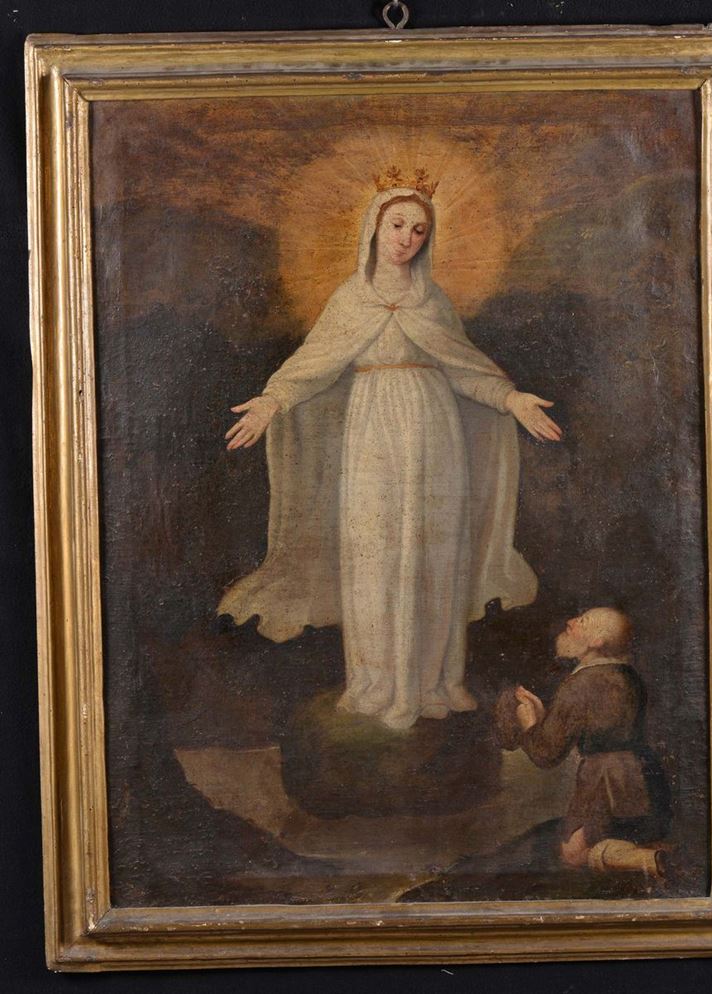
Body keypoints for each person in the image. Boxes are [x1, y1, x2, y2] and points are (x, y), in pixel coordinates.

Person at [219, 171, 562, 730]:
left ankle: (433, 682)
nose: (406, 238)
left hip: (436, 435)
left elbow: (464, 369)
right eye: (397, 225)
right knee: (373, 551)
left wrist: (512, 398)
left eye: (419, 230)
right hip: (372, 436)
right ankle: (377, 684)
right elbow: (312, 365)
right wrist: (270, 402)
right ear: (374, 228)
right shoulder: (350, 299)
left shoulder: (433, 300)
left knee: (436, 553)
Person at [512, 608, 671, 877]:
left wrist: (529, 723)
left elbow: (546, 753)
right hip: (644, 775)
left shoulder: (581, 683)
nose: (570, 622)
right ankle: (649, 854)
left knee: (572, 855)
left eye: (581, 621)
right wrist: (543, 719)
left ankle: (647, 860)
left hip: (605, 779)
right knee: (624, 836)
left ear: (597, 641)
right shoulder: (627, 675)